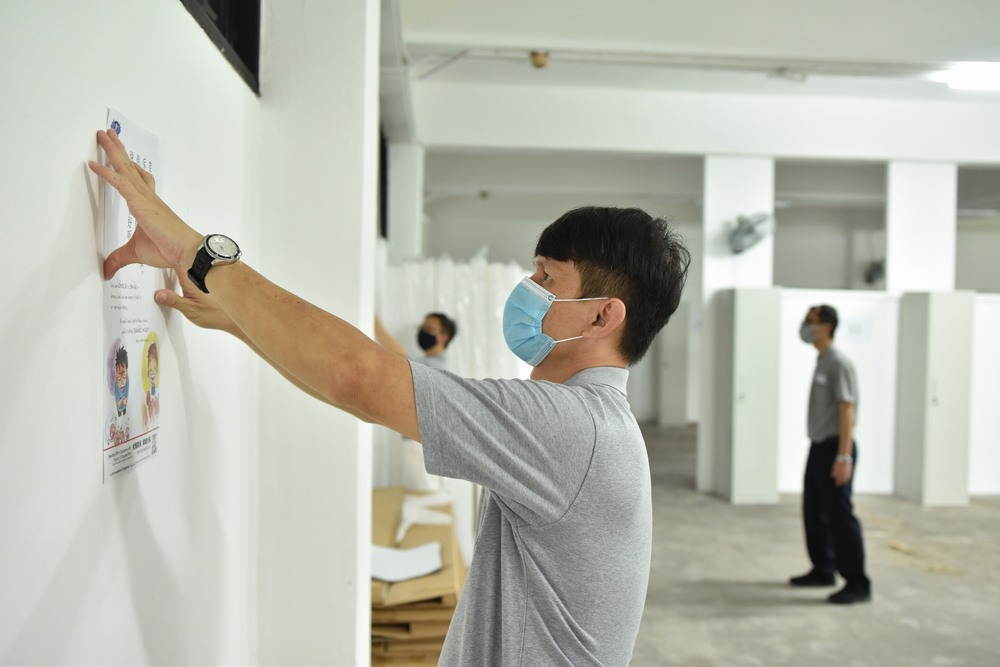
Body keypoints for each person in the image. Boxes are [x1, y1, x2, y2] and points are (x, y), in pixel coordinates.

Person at [89, 129, 690, 665]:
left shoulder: (573, 428)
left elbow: (359, 376)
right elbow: (359, 395)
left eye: (547, 278)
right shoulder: (588, 422)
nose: (527, 291)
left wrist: (199, 254)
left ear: (603, 316)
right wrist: (240, 321)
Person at [789, 305, 872, 604]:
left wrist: (844, 456)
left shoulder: (839, 362)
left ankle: (858, 582)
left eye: (809, 322)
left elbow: (847, 408)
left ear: (825, 327)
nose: (804, 326)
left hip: (836, 448)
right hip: (819, 446)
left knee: (840, 515)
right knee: (814, 511)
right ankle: (823, 568)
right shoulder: (823, 360)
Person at [375, 312, 457, 371]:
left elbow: (399, 354)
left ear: (444, 338)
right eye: (421, 328)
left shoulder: (438, 367)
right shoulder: (430, 362)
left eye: (429, 329)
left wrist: (375, 322)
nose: (422, 332)